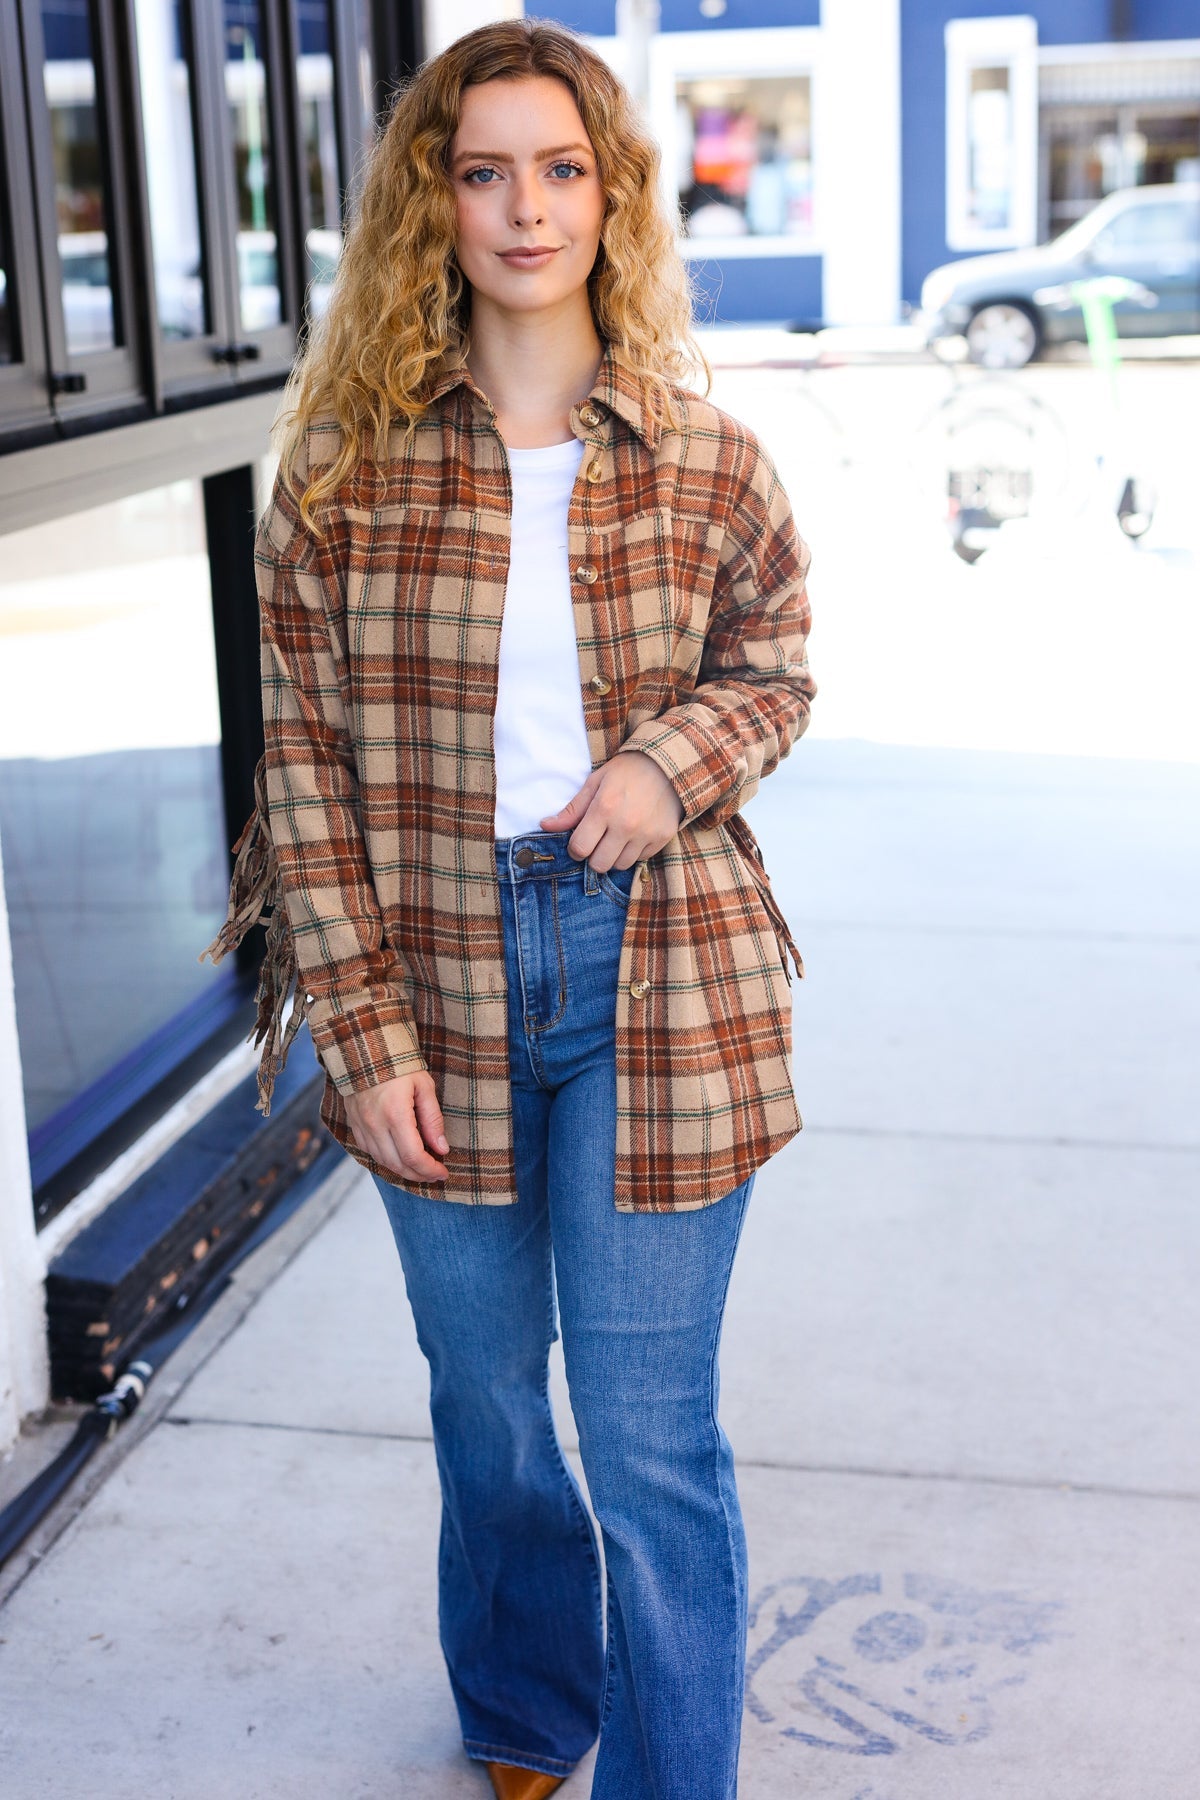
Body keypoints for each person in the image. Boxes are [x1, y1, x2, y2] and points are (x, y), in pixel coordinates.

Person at [201, 18, 815, 1798]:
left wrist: (663, 768)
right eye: (485, 171)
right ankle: (533, 1708)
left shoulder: (711, 461)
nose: (525, 208)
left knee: (649, 1444)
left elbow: (773, 670)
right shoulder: (339, 471)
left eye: (562, 169)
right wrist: (362, 1032)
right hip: (438, 978)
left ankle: (673, 1776)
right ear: (435, 202)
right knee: (485, 1408)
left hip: (659, 977)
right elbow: (302, 779)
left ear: (613, 199)